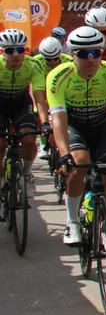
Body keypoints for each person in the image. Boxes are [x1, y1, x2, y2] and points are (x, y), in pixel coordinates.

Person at [48, 26, 106, 246]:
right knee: (79, 163)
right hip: (74, 126)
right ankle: (72, 223)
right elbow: (58, 119)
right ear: (71, 55)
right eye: (83, 54)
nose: (91, 59)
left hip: (101, 128)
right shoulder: (58, 76)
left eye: (95, 53)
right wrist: (63, 154)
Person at [0, 29, 48, 194]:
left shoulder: (33, 65)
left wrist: (45, 122)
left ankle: (27, 173)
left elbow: (39, 98)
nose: (15, 54)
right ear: (2, 51)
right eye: (9, 50)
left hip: (21, 103)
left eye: (19, 50)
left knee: (29, 138)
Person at [31, 37, 72, 159]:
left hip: (62, 94)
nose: (52, 62)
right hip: (44, 93)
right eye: (48, 59)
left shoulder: (68, 61)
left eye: (55, 58)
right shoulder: (36, 62)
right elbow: (36, 90)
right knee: (39, 111)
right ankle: (43, 144)